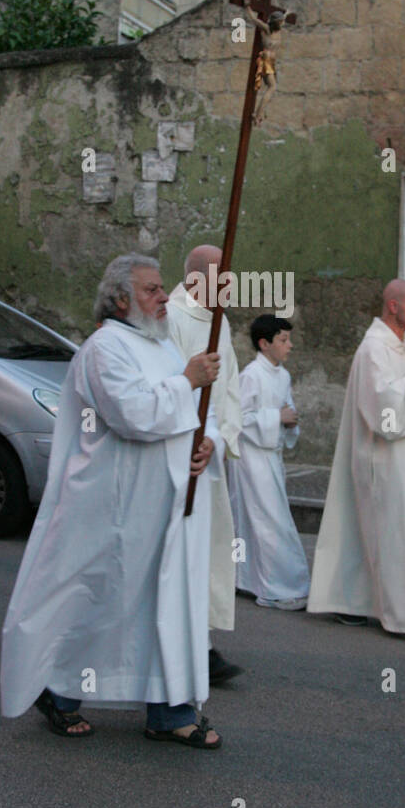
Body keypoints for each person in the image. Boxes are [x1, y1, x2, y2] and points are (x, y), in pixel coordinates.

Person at [0, 253, 225, 747]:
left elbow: (189, 414)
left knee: (163, 608)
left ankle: (169, 711)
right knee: (98, 604)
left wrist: (207, 444)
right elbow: (133, 414)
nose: (164, 296)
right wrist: (188, 380)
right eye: (151, 290)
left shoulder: (162, 347)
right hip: (115, 507)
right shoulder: (106, 348)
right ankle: (58, 691)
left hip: (164, 507)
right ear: (122, 300)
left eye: (163, 288)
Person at [307, 279, 405, 643]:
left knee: (370, 529)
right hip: (380, 460)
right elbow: (383, 410)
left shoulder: (397, 347)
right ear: (393, 307)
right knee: (392, 535)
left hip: (398, 457)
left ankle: (353, 602)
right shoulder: (374, 349)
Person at [167, 244, 243, 685]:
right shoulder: (173, 318)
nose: (230, 285)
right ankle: (187, 647)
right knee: (183, 554)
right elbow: (174, 385)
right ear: (197, 280)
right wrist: (193, 439)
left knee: (208, 553)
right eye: (223, 276)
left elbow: (228, 387)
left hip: (209, 454)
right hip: (182, 457)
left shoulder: (221, 321)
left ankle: (202, 640)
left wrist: (219, 437)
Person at [230, 314, 309, 609]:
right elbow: (239, 418)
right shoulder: (251, 375)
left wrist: (289, 422)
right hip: (251, 458)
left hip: (271, 456)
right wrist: (277, 418)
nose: (290, 345)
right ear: (264, 344)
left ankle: (249, 579)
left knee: (262, 520)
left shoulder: (283, 375)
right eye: (283, 340)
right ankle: (277, 586)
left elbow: (287, 408)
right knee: (267, 522)